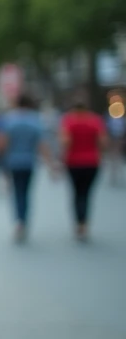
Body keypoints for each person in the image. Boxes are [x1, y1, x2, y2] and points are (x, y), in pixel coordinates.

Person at [0, 94, 50, 243]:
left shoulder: (9, 119)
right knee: (26, 192)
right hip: (29, 162)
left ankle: (19, 221)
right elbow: (42, 144)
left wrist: (1, 160)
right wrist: (50, 164)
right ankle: (24, 220)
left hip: (13, 162)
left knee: (17, 192)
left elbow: (1, 143)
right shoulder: (35, 120)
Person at [59, 98, 109, 242]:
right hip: (92, 161)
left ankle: (79, 223)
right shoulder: (95, 120)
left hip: (73, 162)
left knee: (76, 193)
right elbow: (103, 142)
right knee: (86, 193)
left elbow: (65, 142)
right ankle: (84, 222)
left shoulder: (69, 120)